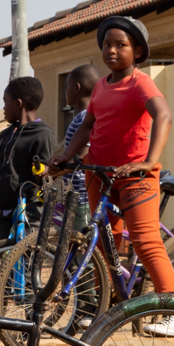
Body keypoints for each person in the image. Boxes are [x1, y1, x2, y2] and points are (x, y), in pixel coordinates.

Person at [49, 15, 174, 337]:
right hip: (100, 172)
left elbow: (163, 115)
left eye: (120, 45)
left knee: (144, 240)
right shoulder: (101, 85)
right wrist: (67, 156)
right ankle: (109, 308)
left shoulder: (140, 82)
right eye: (107, 44)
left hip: (134, 174)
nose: (111, 50)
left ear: (136, 51)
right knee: (102, 243)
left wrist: (149, 161)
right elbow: (87, 125)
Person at [0, 77, 54, 251]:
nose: (3, 108)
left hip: (26, 211)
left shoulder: (42, 134)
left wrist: (43, 174)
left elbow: (46, 172)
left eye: (5, 102)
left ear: (18, 103)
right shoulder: (5, 135)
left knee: (23, 266)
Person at [63, 65, 101, 232]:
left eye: (66, 87)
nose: (65, 92)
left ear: (77, 87)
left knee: (82, 251)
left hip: (83, 198)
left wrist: (53, 170)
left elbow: (83, 156)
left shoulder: (85, 119)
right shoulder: (81, 118)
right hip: (76, 197)